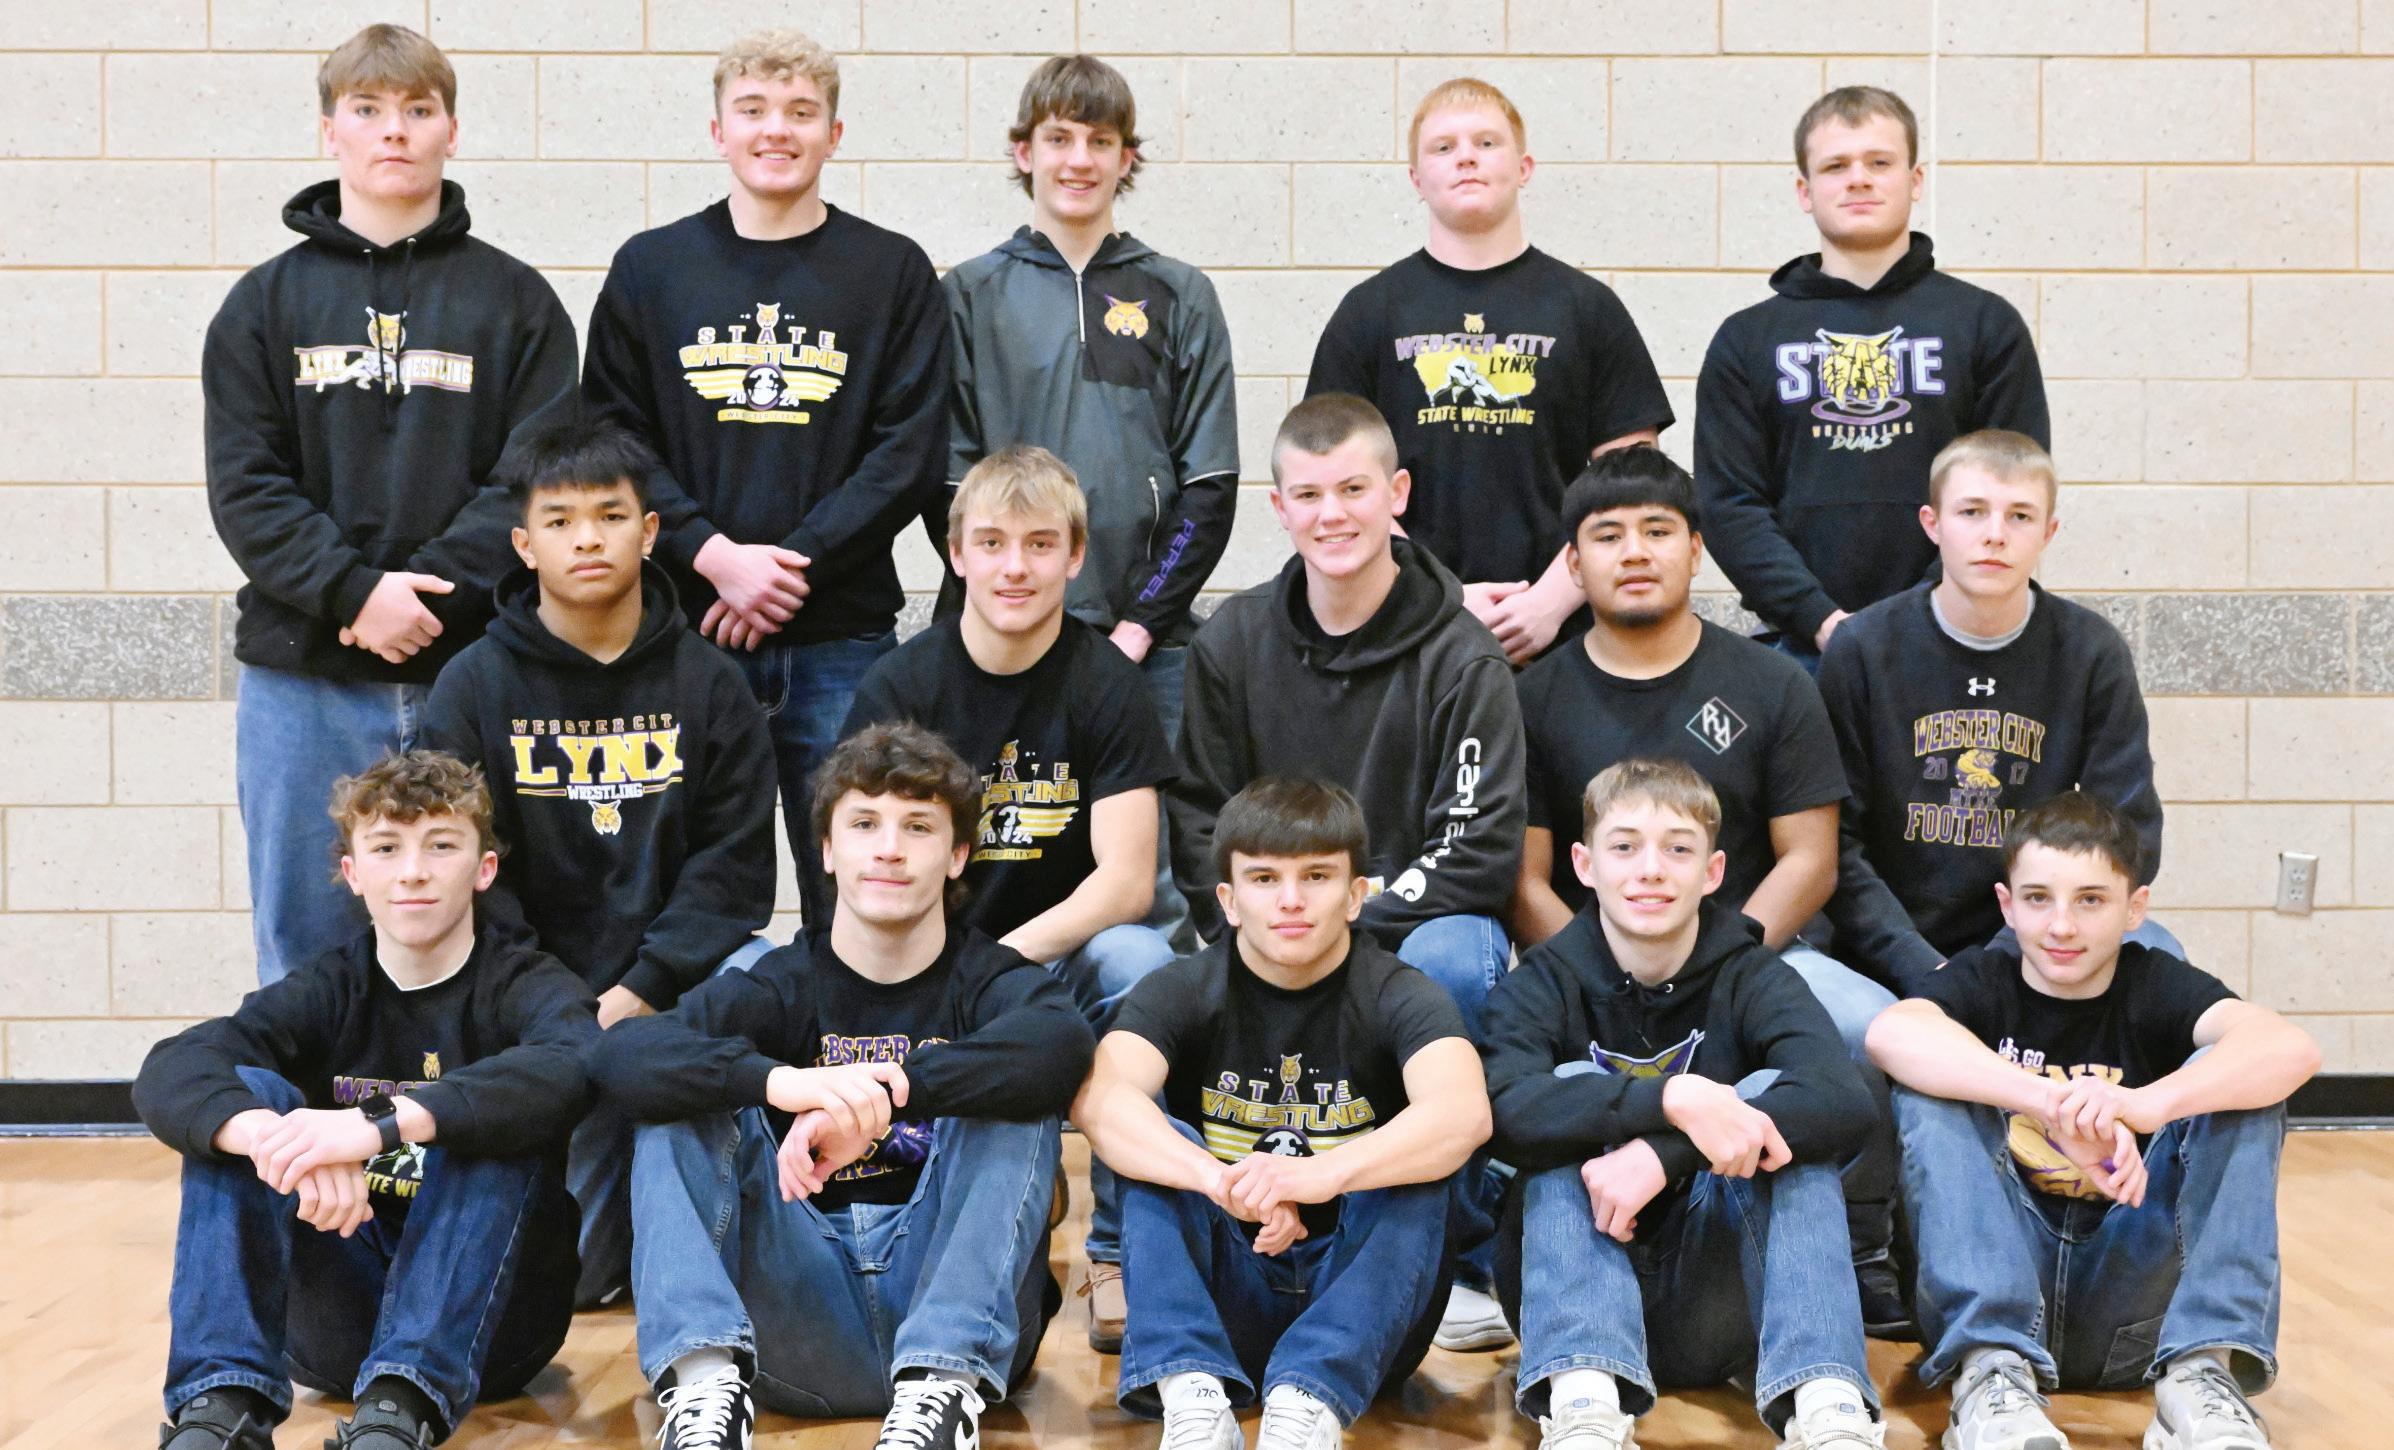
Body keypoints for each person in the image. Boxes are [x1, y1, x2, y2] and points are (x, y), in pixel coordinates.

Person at [588, 722, 1094, 1450]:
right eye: (864, 824)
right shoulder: (780, 982)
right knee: (676, 1095)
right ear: (826, 850)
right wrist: (785, 1084)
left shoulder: (990, 979)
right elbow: (623, 1055)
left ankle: (940, 1391)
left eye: (917, 827)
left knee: (1016, 1099)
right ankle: (704, 1389)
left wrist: (887, 1094)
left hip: (952, 1308)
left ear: (957, 856)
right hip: (792, 1322)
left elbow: (1061, 1047)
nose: (889, 848)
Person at [208, 22, 579, 985]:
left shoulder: (519, 303)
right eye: (368, 110)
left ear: (451, 129)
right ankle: (311, 1099)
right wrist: (355, 593)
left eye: (418, 110)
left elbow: (532, 480)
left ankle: (477, 1093)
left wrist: (425, 597)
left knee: (499, 941)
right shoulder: (261, 307)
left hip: (480, 671)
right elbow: (247, 487)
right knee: (305, 950)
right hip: (305, 683)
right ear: (330, 130)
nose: (394, 131)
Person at [1509, 444, 1910, 1334]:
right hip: (1591, 969)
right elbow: (1527, 879)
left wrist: (1723, 967)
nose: (1635, 551)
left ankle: (1859, 1252)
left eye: (1659, 531)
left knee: (1871, 1037)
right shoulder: (1533, 699)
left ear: (1696, 550)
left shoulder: (1773, 683)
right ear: (1572, 563)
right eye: (1608, 535)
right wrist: (1596, 967)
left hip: (1759, 955)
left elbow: (1810, 860)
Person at [1170, 392, 1526, 1351]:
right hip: (1270, 926)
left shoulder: (1464, 656)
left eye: (1355, 490)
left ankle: (1463, 1258)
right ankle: (1211, 1240)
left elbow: (1481, 847)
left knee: (1461, 958)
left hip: (1405, 934)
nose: (1333, 514)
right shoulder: (1232, 641)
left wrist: (1338, 929)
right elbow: (1197, 814)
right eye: (1309, 494)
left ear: (1397, 493)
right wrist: (1266, 925)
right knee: (1152, 979)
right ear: (1278, 508)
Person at [580, 27, 949, 926]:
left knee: (863, 893)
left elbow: (908, 452)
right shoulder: (650, 269)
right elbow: (614, 439)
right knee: (670, 894)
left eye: (800, 112)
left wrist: (785, 568)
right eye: (752, 110)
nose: (775, 129)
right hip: (685, 636)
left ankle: (853, 1026)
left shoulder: (892, 272)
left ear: (834, 133)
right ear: (718, 132)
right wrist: (713, 557)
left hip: (844, 641)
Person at [134, 751, 595, 1450]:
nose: (413, 871)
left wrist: (375, 1127)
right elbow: (174, 1066)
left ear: (484, 870)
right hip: (338, 1323)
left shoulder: (524, 983)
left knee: (494, 1112)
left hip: (492, 1329)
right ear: (354, 874)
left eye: (440, 846)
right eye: (386, 848)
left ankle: (400, 1412)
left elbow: (574, 1062)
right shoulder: (328, 988)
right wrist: (277, 1141)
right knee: (246, 1097)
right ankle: (220, 1408)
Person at [420, 419, 777, 1307]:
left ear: (649, 532)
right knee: (573, 1284)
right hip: (531, 993)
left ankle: (737, 1238)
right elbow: (463, 866)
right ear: (524, 544)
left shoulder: (711, 683)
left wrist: (642, 989)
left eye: (611, 516)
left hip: (671, 988)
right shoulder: (473, 685)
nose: (587, 539)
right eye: (561, 520)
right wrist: (557, 1004)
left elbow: (733, 869)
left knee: (761, 973)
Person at [842, 445, 1177, 1348]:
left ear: (1075, 555)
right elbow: (866, 865)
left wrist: (1004, 958)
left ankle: (1119, 1251)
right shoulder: (900, 687)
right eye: (991, 543)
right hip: (932, 962)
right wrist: (950, 970)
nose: (1014, 567)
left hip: (1056, 957)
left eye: (1039, 544)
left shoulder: (1107, 683)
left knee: (1143, 963)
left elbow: (1128, 881)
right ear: (956, 554)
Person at [1867, 791, 2318, 1450]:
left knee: (2241, 1087)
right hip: (2001, 1289)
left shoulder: (2156, 984)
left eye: (2090, 900)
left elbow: (2290, 1048)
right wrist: (2048, 1104)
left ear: (2135, 908)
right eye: (2038, 898)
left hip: (2135, 1315)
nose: (2062, 926)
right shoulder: (1984, 980)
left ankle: (2202, 1376)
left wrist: (2146, 1104)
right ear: (2006, 906)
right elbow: (1890, 1032)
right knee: (1932, 1086)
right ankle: (1990, 1375)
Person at [1076, 776, 1491, 1450]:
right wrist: (1219, 1181)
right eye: (1264, 879)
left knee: (1418, 1164)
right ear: (1229, 901)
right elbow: (1099, 1099)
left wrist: (1316, 1177)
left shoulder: (1401, 994)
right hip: (1227, 1299)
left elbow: (1463, 1113)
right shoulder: (1181, 989)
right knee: (1156, 1145)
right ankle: (1193, 1394)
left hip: (1365, 1317)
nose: (1291, 900)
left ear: (1356, 894)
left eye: (1317, 877)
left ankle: (1309, 1401)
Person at [1482, 759, 1882, 1450]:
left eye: (1677, 849)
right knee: (1566, 1087)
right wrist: (1670, 1096)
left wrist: (1668, 1151)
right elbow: (1503, 1110)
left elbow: (1843, 1098)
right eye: (1624, 846)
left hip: (1716, 1298)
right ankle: (1584, 1404)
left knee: (1769, 1108)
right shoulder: (1543, 982)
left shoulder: (1750, 972)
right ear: (1584, 864)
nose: (1651, 870)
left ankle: (1828, 1405)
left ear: (1713, 871)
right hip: (1567, 1293)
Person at [943, 52, 1242, 955]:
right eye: (1059, 138)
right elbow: (949, 482)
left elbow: (1209, 485)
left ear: (1126, 158)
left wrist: (1138, 628)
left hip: (1147, 649)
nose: (1078, 159)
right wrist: (1011, 614)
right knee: (998, 858)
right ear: (1023, 151)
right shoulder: (969, 294)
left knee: (1158, 893)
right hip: (1004, 651)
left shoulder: (1179, 293)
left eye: (1100, 141)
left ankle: (1151, 1039)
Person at [1307, 77, 1672, 665]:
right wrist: (1436, 597)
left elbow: (1636, 479)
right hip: (1405, 630)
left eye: (1486, 142)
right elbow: (1331, 482)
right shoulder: (1369, 312)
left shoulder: (1588, 308)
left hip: (1562, 634)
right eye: (1443, 147)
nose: (1466, 158)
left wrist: (1552, 601)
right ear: (1416, 179)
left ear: (1524, 167)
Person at [1695, 84, 2047, 671]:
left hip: (1957, 636)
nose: (1858, 179)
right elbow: (1731, 504)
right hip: (1800, 648)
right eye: (1836, 166)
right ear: (1805, 191)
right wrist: (1821, 620)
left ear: (1915, 180)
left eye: (1879, 162)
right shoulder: (1747, 339)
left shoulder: (1985, 324)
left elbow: (2013, 490)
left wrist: (1921, 615)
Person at [1820, 429, 2167, 991]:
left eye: (2020, 516)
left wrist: (2005, 961)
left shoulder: (2090, 651)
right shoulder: (1861, 647)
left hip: (2040, 940)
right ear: (1932, 524)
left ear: (2048, 532)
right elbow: (1832, 843)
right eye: (1972, 512)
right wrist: (1917, 964)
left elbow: (2127, 832)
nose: (1995, 535)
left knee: (2163, 954)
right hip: (1886, 950)